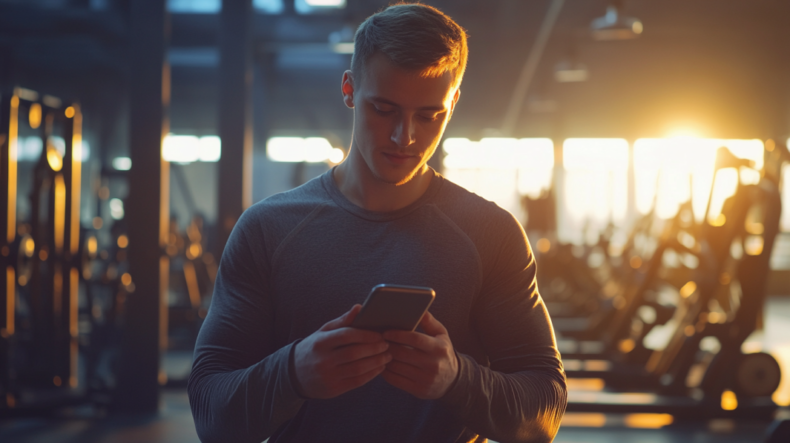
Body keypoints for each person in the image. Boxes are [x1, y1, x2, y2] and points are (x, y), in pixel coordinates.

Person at [188, 3, 567, 442]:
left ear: (454, 102)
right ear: (349, 89)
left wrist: (457, 380)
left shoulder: (492, 236)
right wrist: (292, 373)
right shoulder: (266, 230)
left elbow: (545, 412)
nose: (403, 137)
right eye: (384, 109)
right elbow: (210, 414)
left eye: (429, 115)